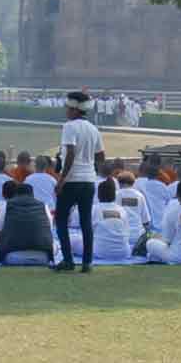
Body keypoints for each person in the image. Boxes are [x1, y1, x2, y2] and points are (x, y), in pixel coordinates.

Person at [54, 90, 103, 274]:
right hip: (88, 180)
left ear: (75, 110)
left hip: (72, 179)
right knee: (85, 222)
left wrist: (62, 179)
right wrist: (92, 172)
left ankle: (68, 260)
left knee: (60, 220)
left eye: (68, 107)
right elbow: (101, 156)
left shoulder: (69, 127)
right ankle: (87, 262)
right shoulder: (93, 129)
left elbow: (71, 154)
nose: (66, 110)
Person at [0, 182, 56, 266]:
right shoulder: (43, 205)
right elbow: (49, 229)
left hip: (11, 257)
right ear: (32, 194)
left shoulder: (7, 204)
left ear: (16, 194)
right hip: (43, 257)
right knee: (56, 244)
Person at [90, 179, 141, 263]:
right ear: (114, 195)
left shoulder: (94, 209)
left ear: (98, 195)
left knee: (74, 240)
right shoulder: (121, 210)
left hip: (100, 252)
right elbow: (127, 231)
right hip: (124, 252)